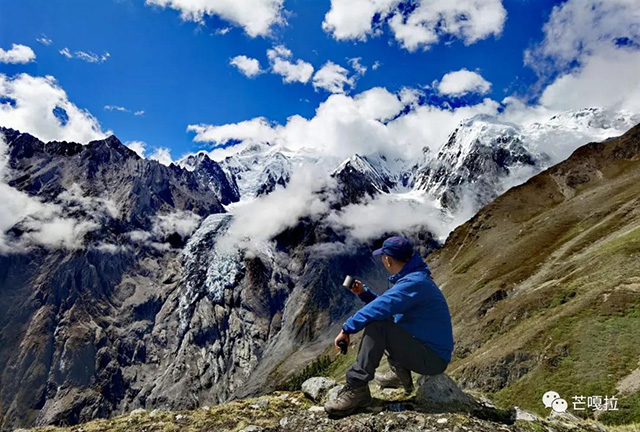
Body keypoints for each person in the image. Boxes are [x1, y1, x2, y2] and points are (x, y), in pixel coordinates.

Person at [324, 235, 454, 417]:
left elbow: (381, 308)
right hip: (429, 351)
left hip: (432, 359)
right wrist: (364, 293)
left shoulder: (413, 283)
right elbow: (390, 309)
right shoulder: (415, 279)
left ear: (388, 259)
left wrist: (347, 328)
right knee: (386, 322)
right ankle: (401, 376)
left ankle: (357, 389)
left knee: (378, 327)